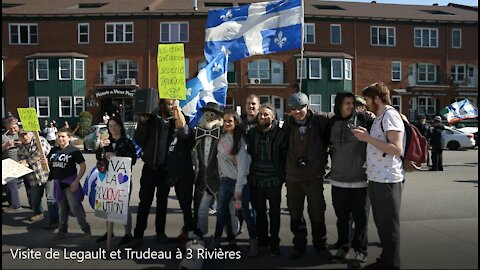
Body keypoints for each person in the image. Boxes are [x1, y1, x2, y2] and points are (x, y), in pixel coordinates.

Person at [352, 82, 405, 269]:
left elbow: (396, 149)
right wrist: (367, 136)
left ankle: (391, 264)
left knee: (389, 227)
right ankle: (387, 259)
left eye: (367, 100)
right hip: (377, 178)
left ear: (377, 98)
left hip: (388, 180)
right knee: (382, 225)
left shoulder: (390, 116)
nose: (365, 104)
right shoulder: (380, 116)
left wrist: (367, 138)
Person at [129, 99, 188, 248]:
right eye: (169, 104)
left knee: (163, 203)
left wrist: (178, 112)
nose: (171, 107)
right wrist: (142, 123)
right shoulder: (150, 120)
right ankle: (138, 235)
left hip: (165, 170)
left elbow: (185, 135)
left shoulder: (177, 120)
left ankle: (160, 233)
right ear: (161, 105)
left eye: (173, 104)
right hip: (150, 168)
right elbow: (139, 141)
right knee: (145, 203)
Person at [284, 91, 333, 260]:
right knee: (295, 213)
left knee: (317, 212)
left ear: (307, 106)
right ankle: (299, 245)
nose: (297, 112)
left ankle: (320, 245)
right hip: (293, 177)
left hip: (314, 176)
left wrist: (366, 114)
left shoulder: (320, 120)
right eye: (293, 109)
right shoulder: (286, 125)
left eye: (300, 108)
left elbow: (342, 115)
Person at [326, 92, 374, 265]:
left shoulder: (364, 119)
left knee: (361, 219)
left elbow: (380, 134)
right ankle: (343, 247)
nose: (351, 106)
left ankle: (361, 250)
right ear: (339, 104)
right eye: (347, 103)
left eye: (352, 103)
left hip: (361, 180)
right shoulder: (331, 123)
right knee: (342, 219)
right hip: (338, 180)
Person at [209, 110, 258, 256]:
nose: (227, 124)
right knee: (221, 212)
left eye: (229, 121)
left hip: (239, 184)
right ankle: (217, 239)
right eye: (224, 121)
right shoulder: (222, 137)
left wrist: (238, 189)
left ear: (236, 122)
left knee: (245, 213)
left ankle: (254, 242)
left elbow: (243, 168)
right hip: (225, 182)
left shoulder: (241, 141)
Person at [247, 104, 288, 256]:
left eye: (266, 115)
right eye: (261, 115)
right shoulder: (252, 133)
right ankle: (262, 240)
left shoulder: (280, 134)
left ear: (273, 117)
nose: (262, 117)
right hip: (256, 180)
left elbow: (286, 155)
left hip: (274, 181)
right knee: (260, 213)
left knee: (275, 213)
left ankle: (274, 242)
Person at [95, 116, 137, 246]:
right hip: (107, 179)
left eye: (115, 126)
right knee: (107, 205)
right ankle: (109, 232)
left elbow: (133, 160)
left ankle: (128, 234)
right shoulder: (106, 142)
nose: (113, 128)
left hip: (122, 180)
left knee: (124, 207)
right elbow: (98, 158)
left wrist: (117, 156)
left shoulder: (127, 142)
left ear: (120, 127)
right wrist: (100, 147)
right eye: (110, 126)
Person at [46, 127, 91, 241]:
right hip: (57, 183)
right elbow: (49, 166)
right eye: (59, 136)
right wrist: (44, 163)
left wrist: (76, 181)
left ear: (69, 138)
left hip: (70, 183)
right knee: (62, 208)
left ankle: (86, 229)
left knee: (75, 208)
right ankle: (62, 230)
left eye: (63, 136)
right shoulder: (53, 151)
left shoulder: (74, 151)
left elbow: (83, 167)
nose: (60, 139)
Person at [17, 128, 58, 227]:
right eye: (22, 136)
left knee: (51, 199)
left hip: (48, 174)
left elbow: (41, 153)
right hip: (34, 177)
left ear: (31, 134)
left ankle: (55, 221)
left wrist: (27, 162)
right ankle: (38, 213)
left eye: (26, 134)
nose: (25, 137)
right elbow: (20, 161)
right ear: (19, 138)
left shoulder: (40, 140)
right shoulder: (20, 150)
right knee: (35, 198)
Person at [2, 117, 24, 212]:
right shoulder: (3, 136)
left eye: (15, 128)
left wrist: (22, 142)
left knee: (29, 184)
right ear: (7, 127)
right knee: (11, 183)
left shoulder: (23, 134)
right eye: (10, 128)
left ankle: (34, 205)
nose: (13, 130)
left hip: (23, 163)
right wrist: (6, 145)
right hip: (9, 164)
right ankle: (15, 204)